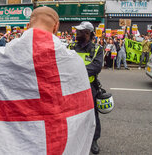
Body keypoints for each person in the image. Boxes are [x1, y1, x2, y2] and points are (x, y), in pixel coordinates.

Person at [0, 7, 96, 155]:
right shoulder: (72, 60)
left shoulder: (1, 58)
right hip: (56, 138)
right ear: (56, 27)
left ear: (28, 25)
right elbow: (84, 107)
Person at [69, 21, 103, 154]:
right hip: (72, 87)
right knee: (73, 114)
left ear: (87, 33)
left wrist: (76, 71)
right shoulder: (71, 47)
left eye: (79, 31)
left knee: (93, 115)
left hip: (90, 87)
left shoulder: (97, 49)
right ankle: (74, 139)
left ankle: (94, 140)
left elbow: (96, 67)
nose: (76, 33)